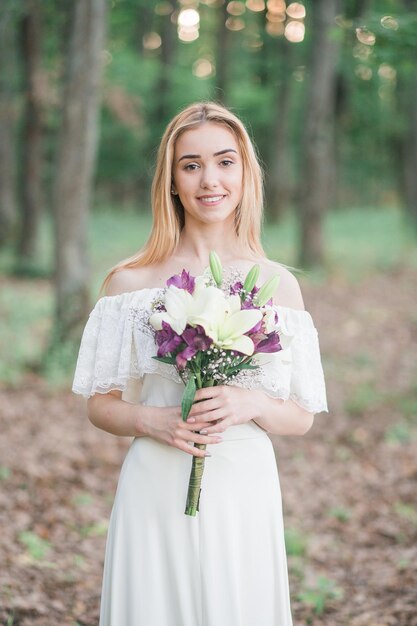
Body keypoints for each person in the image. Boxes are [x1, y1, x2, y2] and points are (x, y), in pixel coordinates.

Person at [72, 101, 328, 626]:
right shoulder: (131, 283)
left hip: (244, 485)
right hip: (156, 480)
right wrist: (151, 420)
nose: (209, 180)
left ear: (245, 173)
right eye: (191, 165)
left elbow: (299, 417)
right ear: (171, 181)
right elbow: (100, 406)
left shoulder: (278, 284)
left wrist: (249, 401)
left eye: (224, 162)